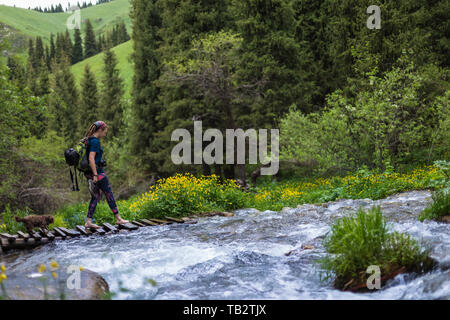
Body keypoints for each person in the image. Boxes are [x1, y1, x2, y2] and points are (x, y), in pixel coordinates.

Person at [83, 121, 129, 229]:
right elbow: (91, 158)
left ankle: (88, 221)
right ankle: (119, 219)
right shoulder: (94, 141)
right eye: (104, 132)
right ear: (100, 130)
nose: (105, 134)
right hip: (98, 173)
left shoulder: (88, 140)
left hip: (90, 173)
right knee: (109, 194)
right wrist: (95, 174)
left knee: (95, 196)